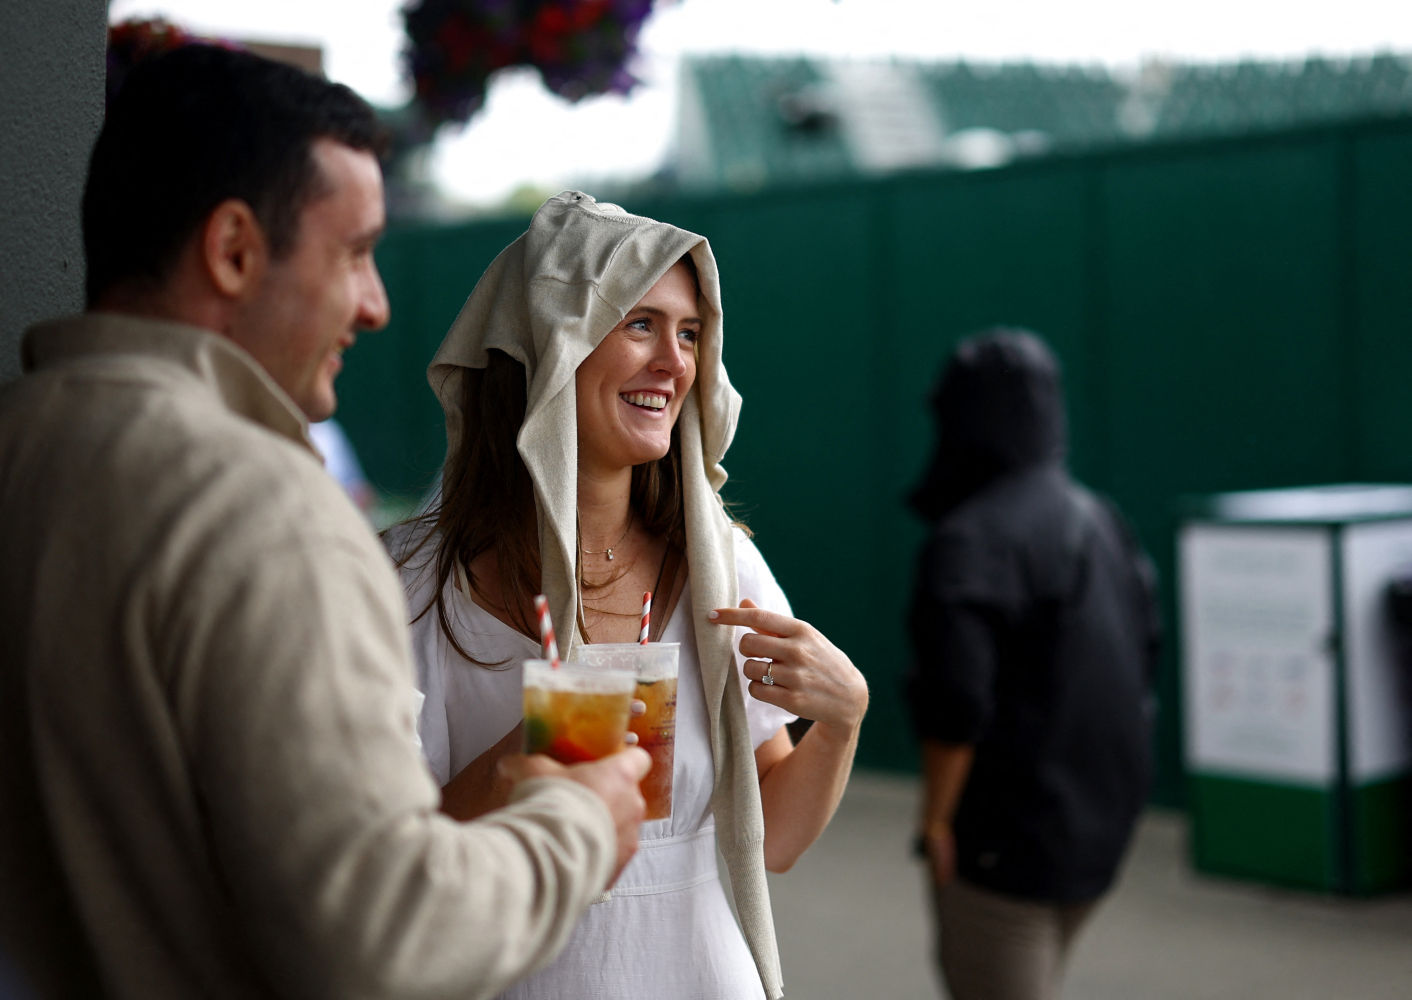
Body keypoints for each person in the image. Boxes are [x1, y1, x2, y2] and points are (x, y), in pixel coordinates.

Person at [0, 46, 651, 1000]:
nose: (378, 304)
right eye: (354, 253)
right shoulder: (262, 508)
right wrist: (580, 821)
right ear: (232, 251)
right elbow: (386, 939)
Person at [387, 190, 871, 1000]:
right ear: (549, 344)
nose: (676, 363)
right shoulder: (408, 581)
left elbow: (773, 841)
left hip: (697, 971)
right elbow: (388, 863)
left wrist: (843, 720)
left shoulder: (721, 567)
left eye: (689, 334)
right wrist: (538, 751)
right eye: (639, 324)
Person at [904, 329, 1160, 1000]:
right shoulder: (1101, 519)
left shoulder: (968, 540)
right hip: (1102, 833)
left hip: (1005, 849)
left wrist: (935, 821)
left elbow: (956, 703)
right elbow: (1147, 654)